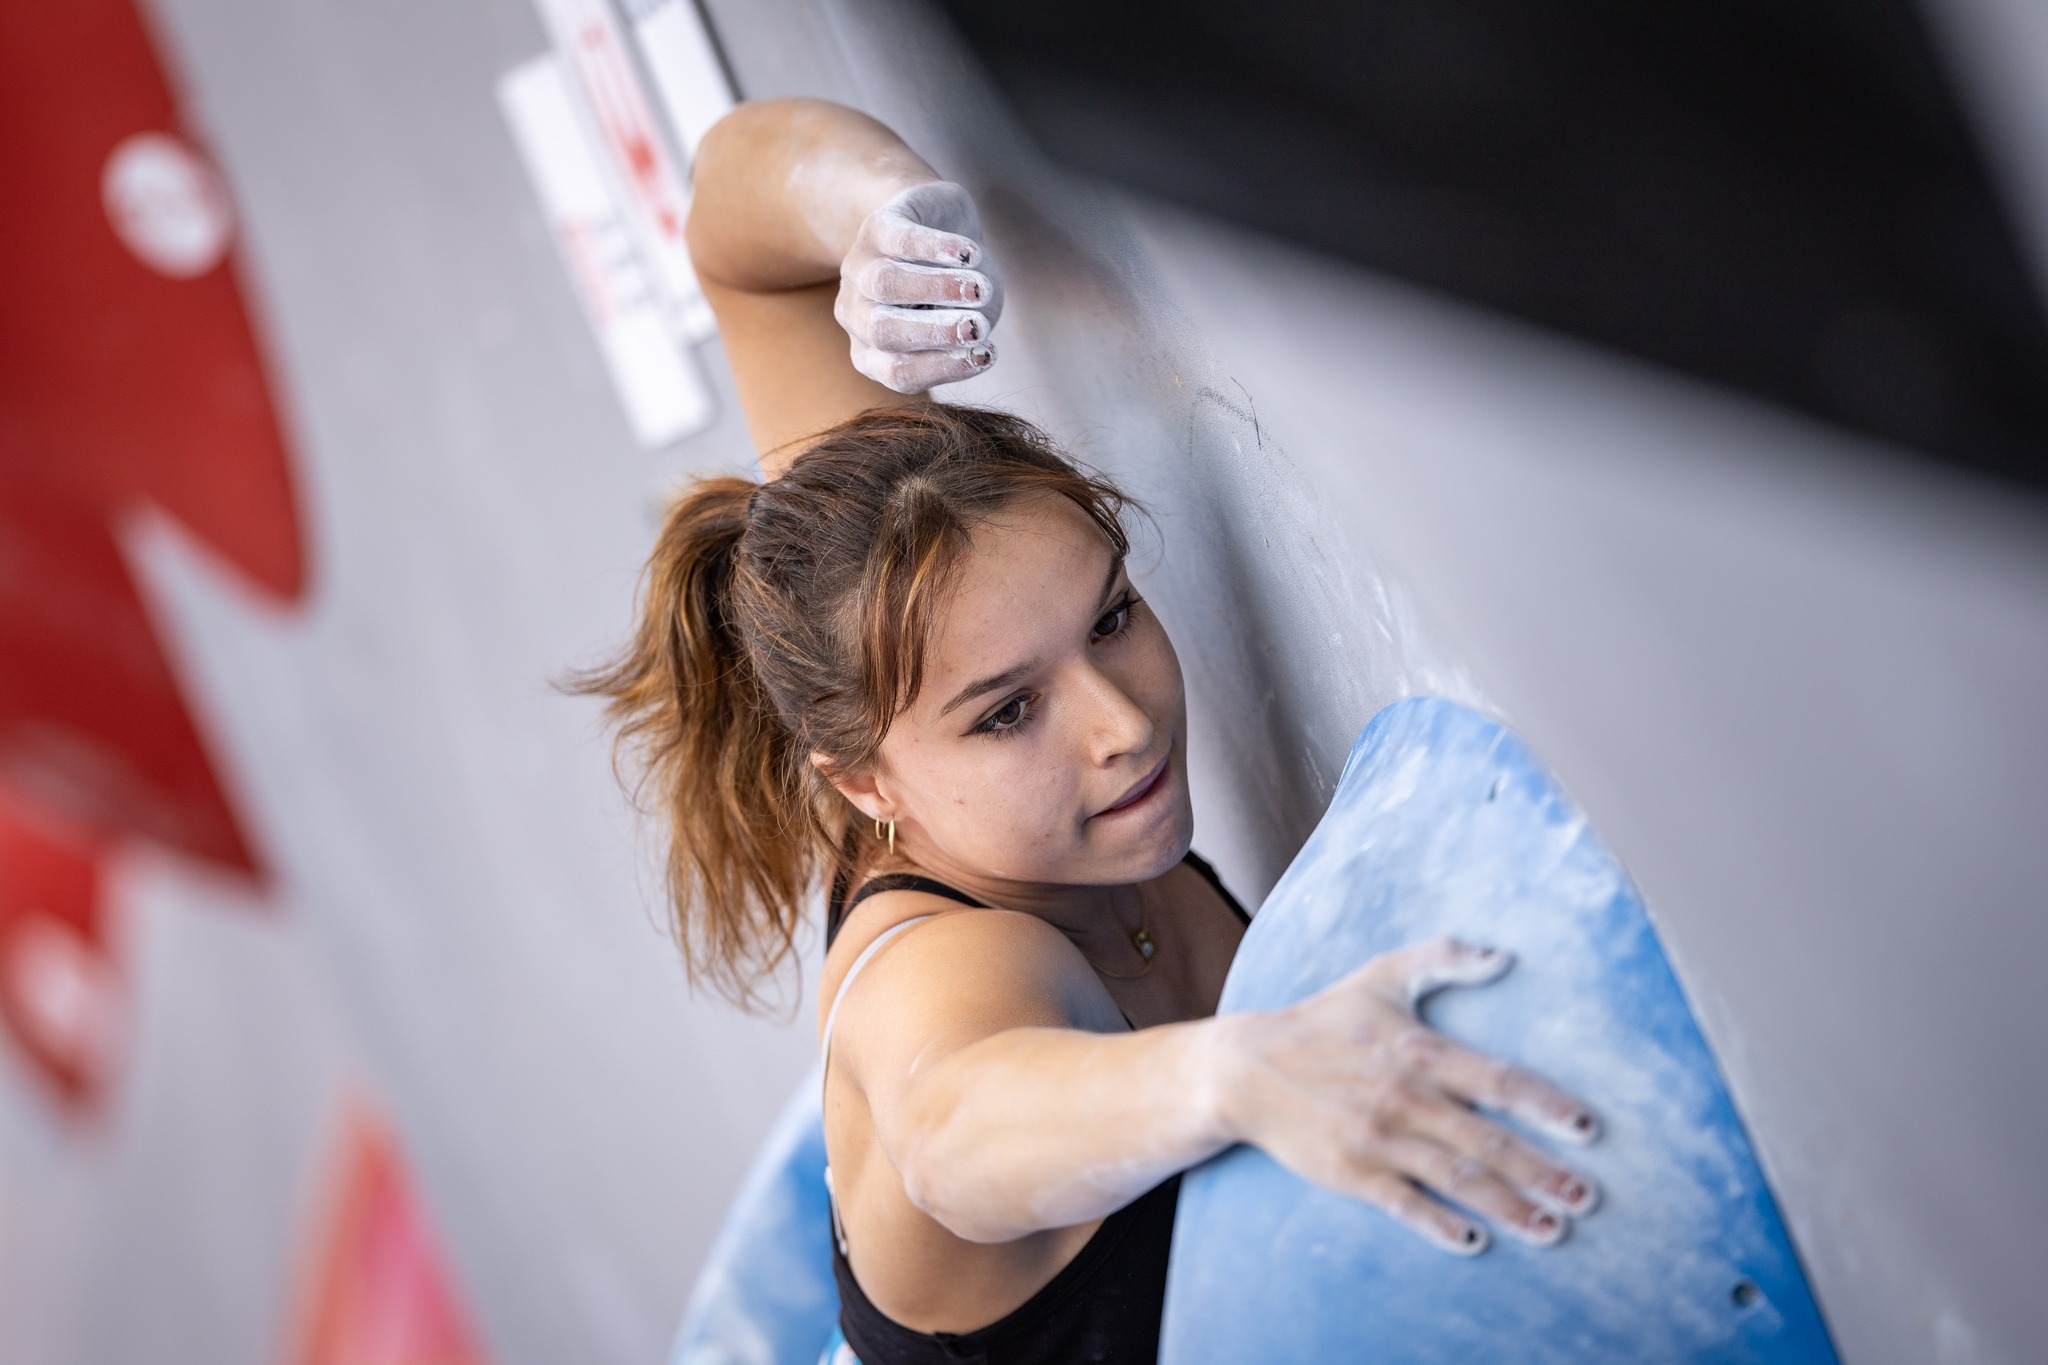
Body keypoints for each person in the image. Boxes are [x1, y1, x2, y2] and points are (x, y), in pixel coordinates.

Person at [581, 99, 1600, 1365]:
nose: (1121, 724)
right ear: (863, 785)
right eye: (1008, 712)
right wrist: (1230, 1076)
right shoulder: (938, 973)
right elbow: (950, 1130)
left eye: (1110, 618)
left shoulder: (889, 592)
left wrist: (881, 211)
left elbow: (738, 231)